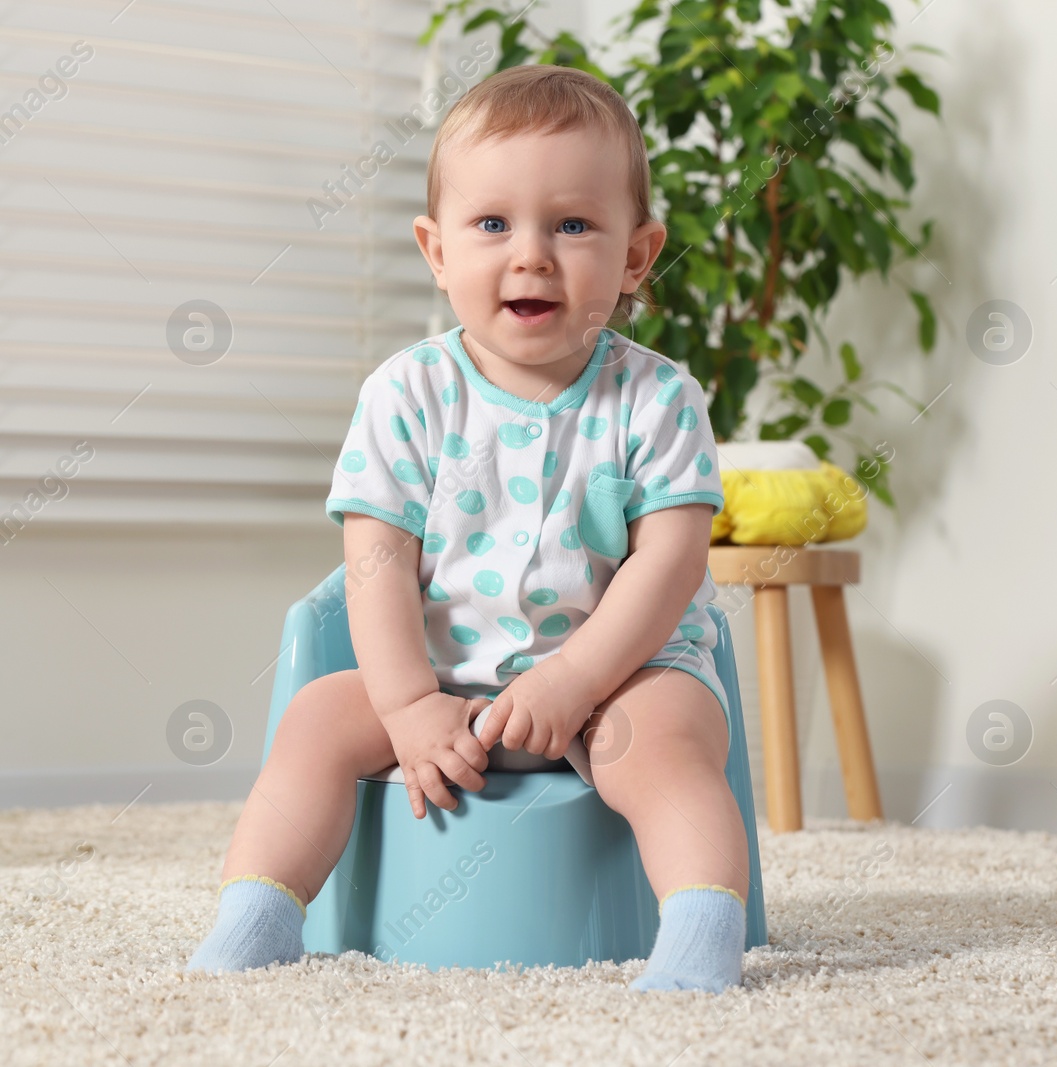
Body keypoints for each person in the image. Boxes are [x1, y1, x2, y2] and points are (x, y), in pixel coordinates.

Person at [186, 64, 748, 993]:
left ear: (638, 256)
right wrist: (407, 703)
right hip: (441, 672)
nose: (530, 255)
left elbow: (673, 561)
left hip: (623, 675)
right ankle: (260, 914)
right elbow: (375, 559)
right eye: (492, 225)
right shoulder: (406, 394)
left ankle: (699, 933)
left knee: (669, 743)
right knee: (319, 718)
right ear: (436, 249)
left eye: (573, 225)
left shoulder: (657, 397)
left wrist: (578, 676)